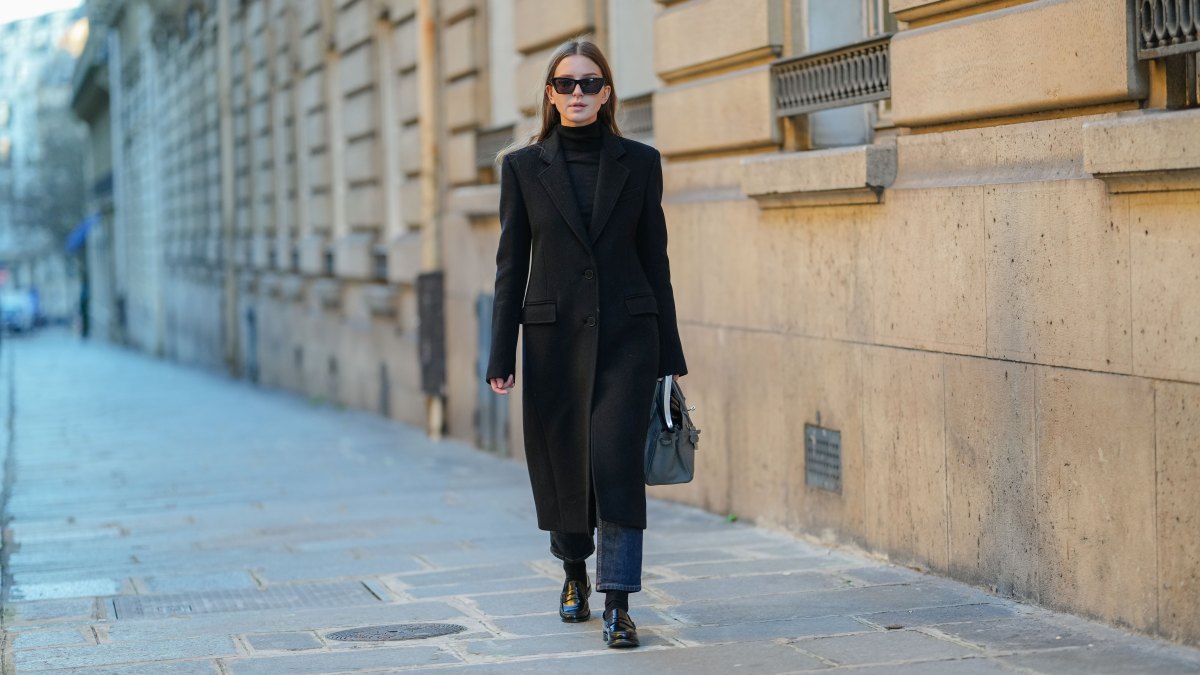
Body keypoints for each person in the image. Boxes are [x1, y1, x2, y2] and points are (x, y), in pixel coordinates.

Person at [486, 39, 687, 649]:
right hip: (551, 341)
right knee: (566, 463)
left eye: (590, 83)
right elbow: (510, 263)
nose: (579, 93)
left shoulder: (641, 162)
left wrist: (670, 357)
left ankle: (619, 603)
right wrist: (500, 353)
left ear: (607, 94)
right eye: (567, 84)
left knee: (615, 462)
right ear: (550, 93)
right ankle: (574, 571)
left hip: (629, 337)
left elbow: (656, 258)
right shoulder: (522, 168)